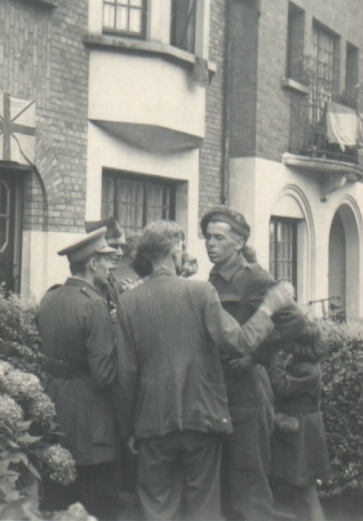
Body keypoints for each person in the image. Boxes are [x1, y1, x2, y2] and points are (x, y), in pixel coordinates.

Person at [116, 219, 296, 521]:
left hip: (152, 422)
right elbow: (240, 342)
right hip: (201, 420)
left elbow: (126, 376)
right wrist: (268, 308)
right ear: (176, 250)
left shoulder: (127, 302)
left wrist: (127, 431)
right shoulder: (202, 292)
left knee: (157, 508)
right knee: (203, 510)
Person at [201, 205, 306, 521]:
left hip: (247, 390)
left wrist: (255, 357)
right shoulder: (212, 279)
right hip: (219, 390)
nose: (210, 243)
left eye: (219, 237)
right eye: (208, 237)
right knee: (224, 481)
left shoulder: (256, 278)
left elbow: (294, 320)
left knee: (250, 479)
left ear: (238, 241)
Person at [37, 228, 119, 521]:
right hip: (90, 416)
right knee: (96, 498)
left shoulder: (50, 297)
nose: (111, 268)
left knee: (58, 496)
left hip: (54, 405)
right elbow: (104, 375)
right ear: (93, 263)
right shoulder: (93, 303)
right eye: (107, 261)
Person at [270, 322, 330, 521]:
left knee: (307, 492)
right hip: (304, 430)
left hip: (303, 433)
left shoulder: (306, 370)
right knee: (299, 489)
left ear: (300, 343)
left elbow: (281, 386)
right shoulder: (308, 366)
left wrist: (276, 356)